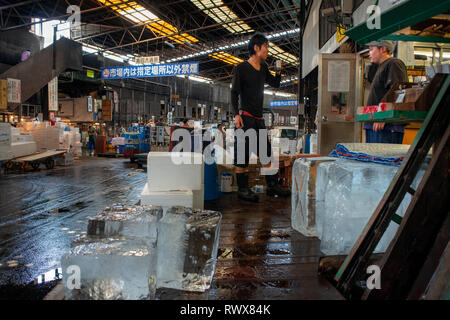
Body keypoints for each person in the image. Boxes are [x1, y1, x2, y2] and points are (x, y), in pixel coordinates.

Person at [231, 33, 291, 202]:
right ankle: (243, 190)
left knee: (266, 154)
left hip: (258, 119)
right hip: (245, 118)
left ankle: (272, 187)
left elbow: (276, 84)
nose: (267, 50)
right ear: (256, 48)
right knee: (241, 156)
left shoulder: (263, 67)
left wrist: (278, 71)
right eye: (266, 46)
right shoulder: (241, 68)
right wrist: (236, 114)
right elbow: (234, 93)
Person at [364, 40, 409, 143]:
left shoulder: (394, 64)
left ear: (382, 49)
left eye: (371, 49)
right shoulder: (381, 67)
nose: (369, 53)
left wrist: (383, 117)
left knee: (382, 158)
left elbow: (398, 92)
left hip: (386, 127)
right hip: (376, 125)